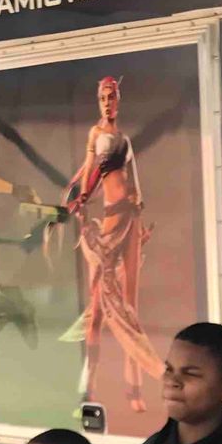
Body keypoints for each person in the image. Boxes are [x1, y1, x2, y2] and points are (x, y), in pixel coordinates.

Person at [60, 75, 165, 412]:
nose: (108, 103)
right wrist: (81, 201)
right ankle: (88, 384)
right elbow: (89, 174)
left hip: (132, 219)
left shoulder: (124, 139)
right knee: (98, 308)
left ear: (119, 100)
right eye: (103, 97)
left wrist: (141, 220)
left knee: (130, 305)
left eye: (112, 97)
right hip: (110, 221)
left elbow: (135, 182)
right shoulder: (96, 134)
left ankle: (133, 386)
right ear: (99, 101)